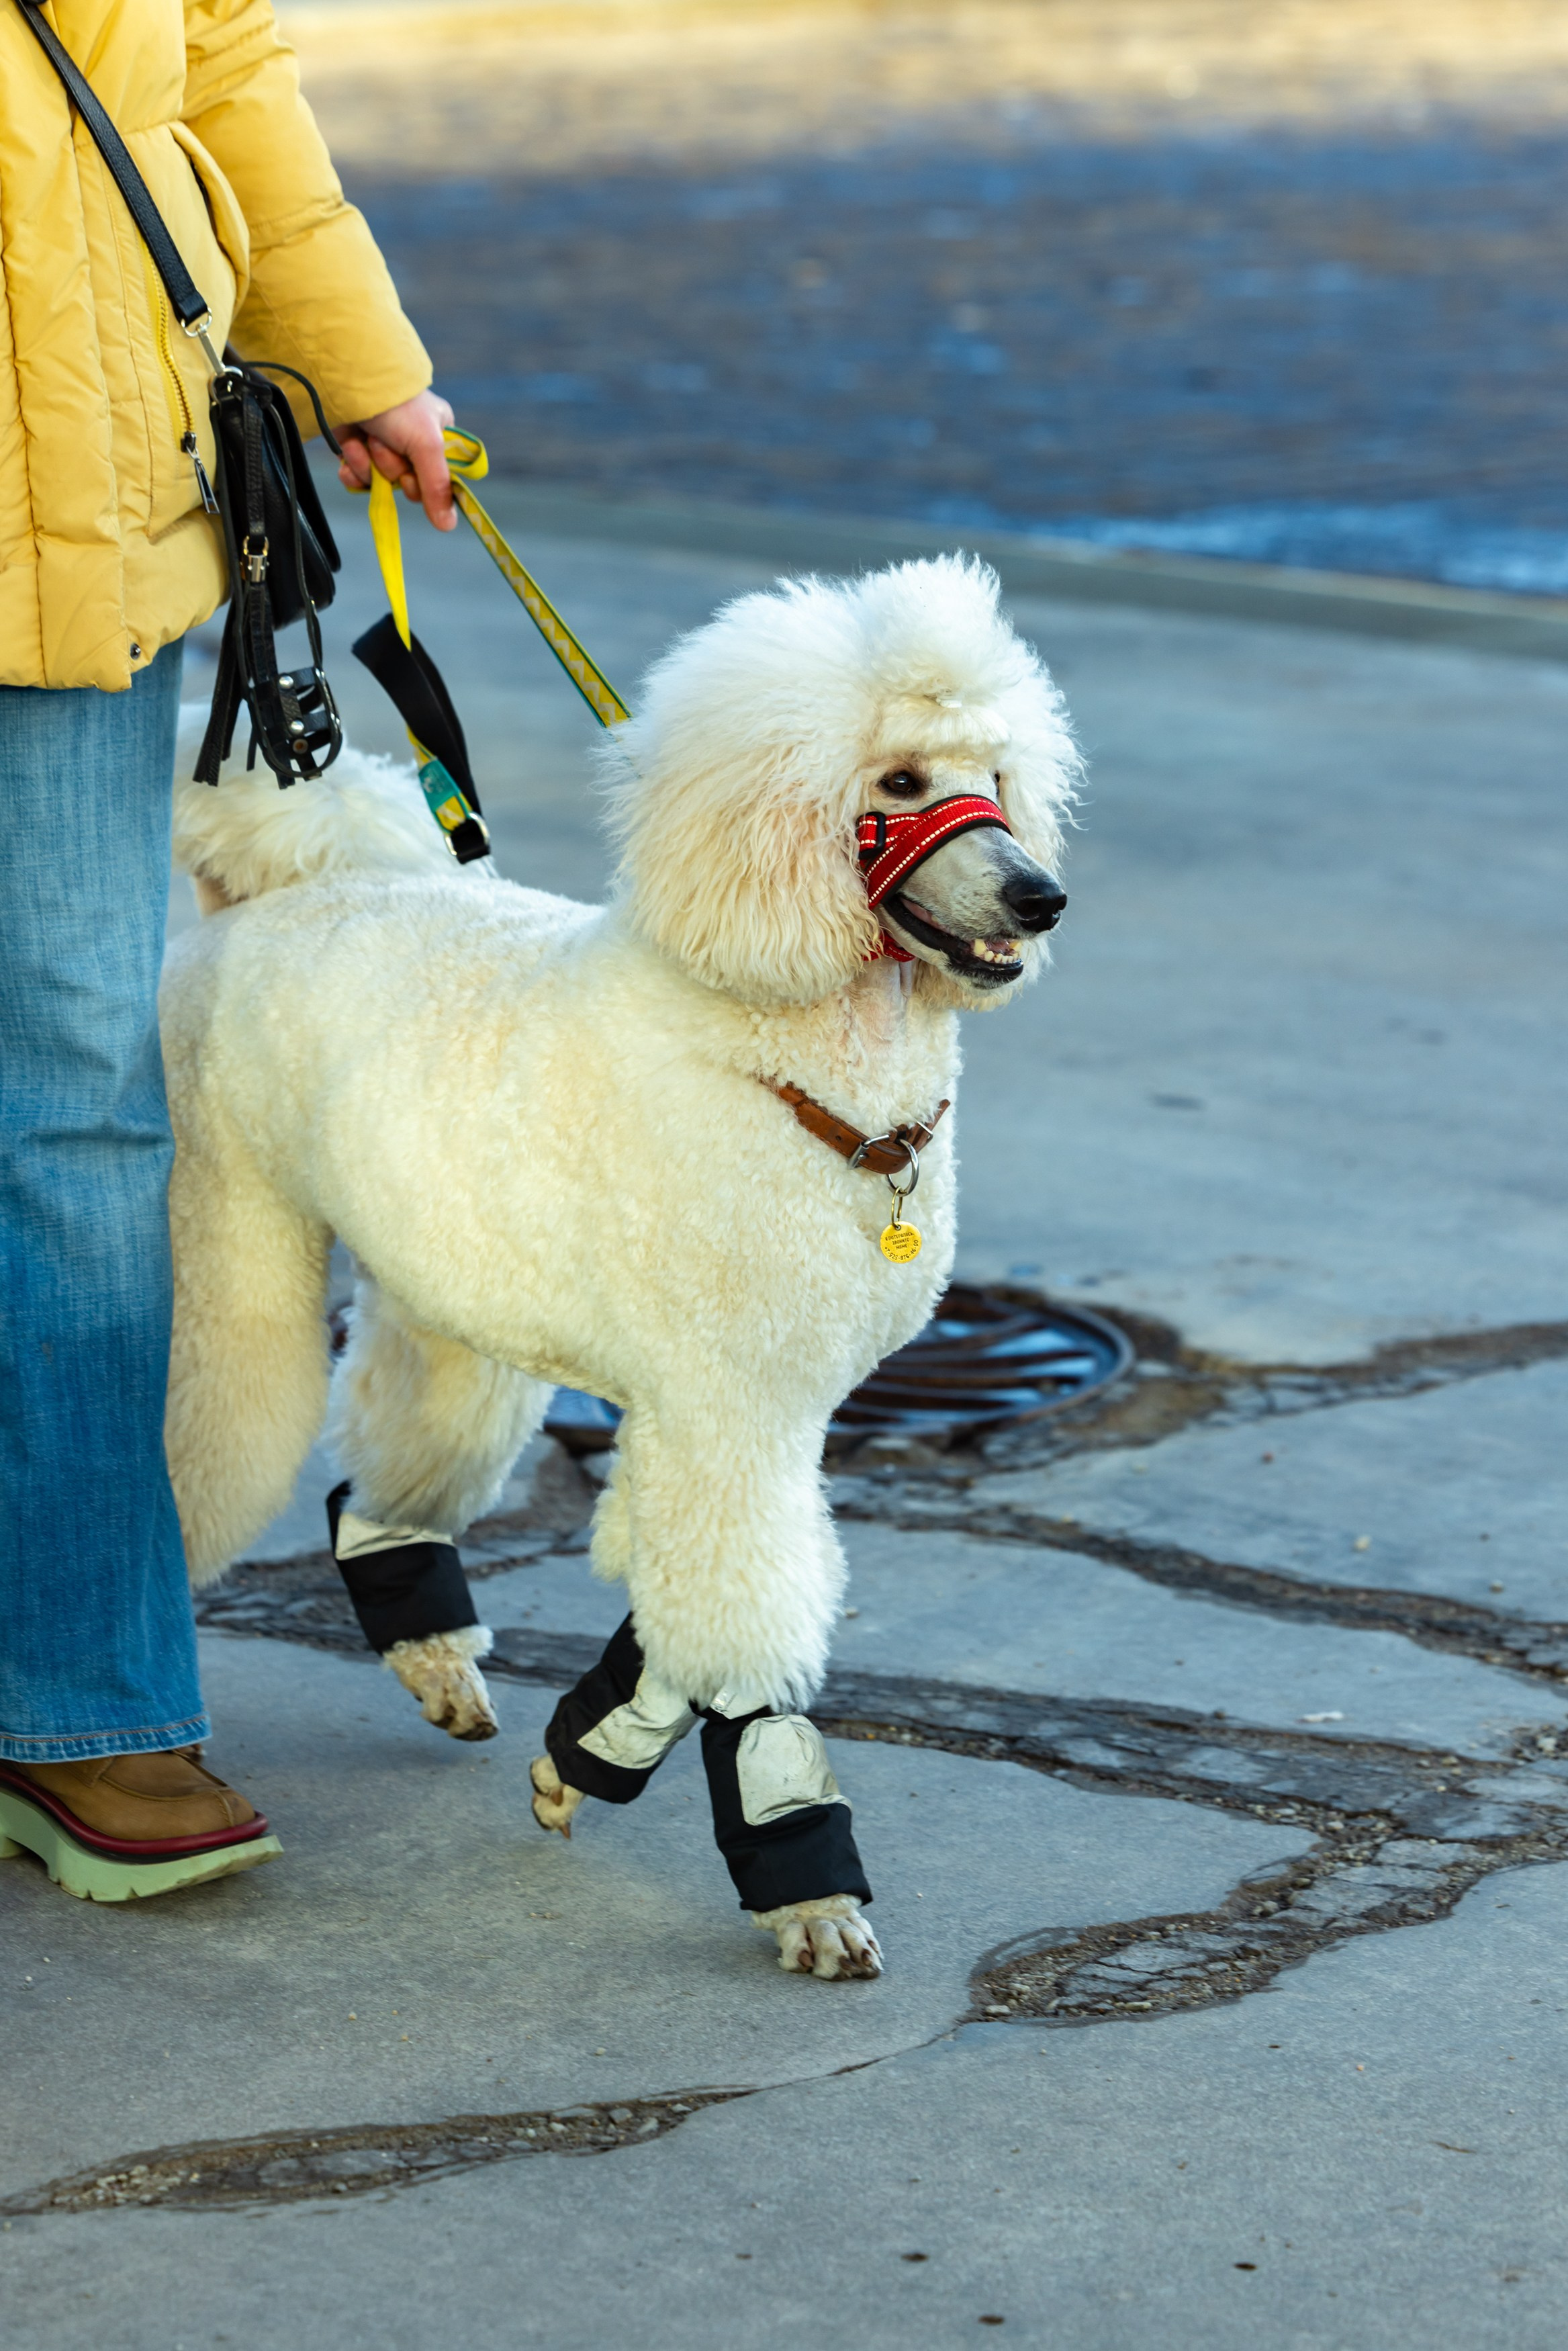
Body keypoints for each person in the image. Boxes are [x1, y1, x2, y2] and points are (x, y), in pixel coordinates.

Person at [0, 0, 455, 1902]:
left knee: (85, 1095)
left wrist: (355, 356)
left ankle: (89, 1701)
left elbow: (225, 63)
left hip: (87, 499)